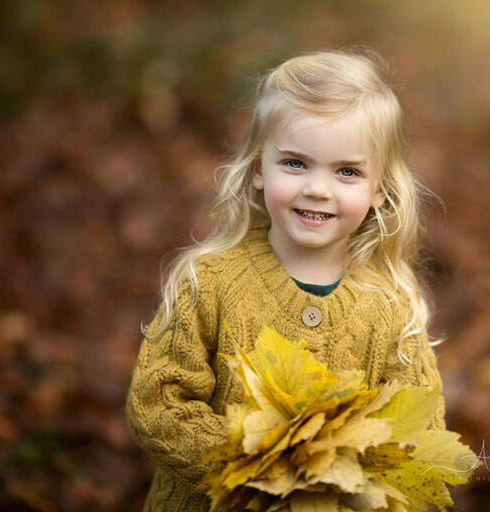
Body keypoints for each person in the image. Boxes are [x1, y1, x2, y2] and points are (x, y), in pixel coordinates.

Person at [125, 47, 448, 512]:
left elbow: (420, 437)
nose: (317, 188)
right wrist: (265, 469)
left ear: (380, 189)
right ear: (258, 168)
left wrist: (361, 489)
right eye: (295, 163)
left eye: (347, 172)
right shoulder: (211, 282)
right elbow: (159, 405)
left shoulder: (391, 306)